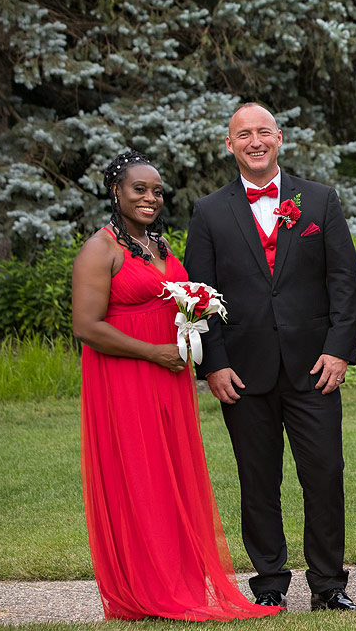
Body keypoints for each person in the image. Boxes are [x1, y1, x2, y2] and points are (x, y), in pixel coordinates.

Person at [71, 150, 282, 621]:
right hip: (125, 378)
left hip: (169, 377)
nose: (150, 197)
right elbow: (86, 326)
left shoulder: (159, 246)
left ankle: (178, 581)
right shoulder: (100, 249)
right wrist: (154, 352)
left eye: (157, 191)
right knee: (140, 476)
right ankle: (146, 589)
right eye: (139, 189)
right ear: (116, 192)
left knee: (170, 477)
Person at [184, 102, 356, 611]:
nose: (255, 141)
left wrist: (338, 351)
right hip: (242, 371)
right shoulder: (209, 211)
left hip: (314, 369)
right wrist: (213, 364)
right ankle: (268, 582)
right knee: (258, 480)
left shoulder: (319, 200)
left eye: (264, 132)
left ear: (280, 138)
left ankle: (328, 584)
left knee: (324, 474)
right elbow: (198, 294)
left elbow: (343, 282)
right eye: (244, 135)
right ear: (230, 145)